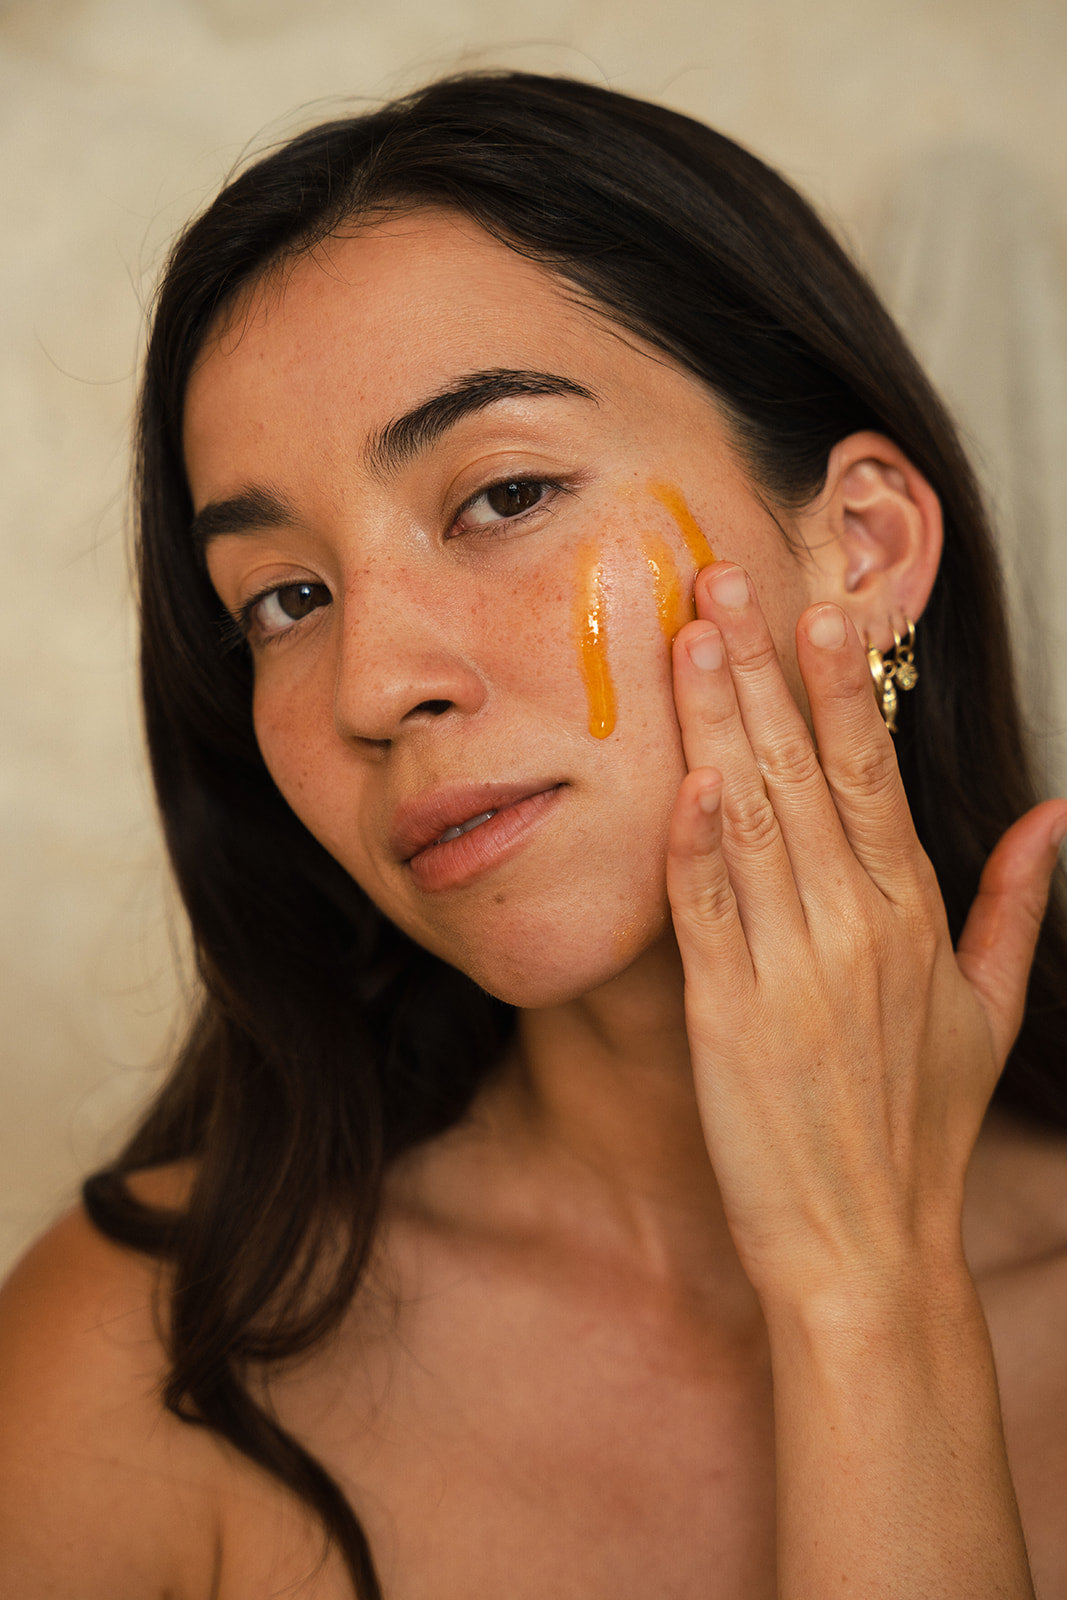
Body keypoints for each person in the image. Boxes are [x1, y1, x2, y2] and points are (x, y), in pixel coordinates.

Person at [1, 70, 1066, 1600]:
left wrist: (872, 1294)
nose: (372, 684)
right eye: (284, 601)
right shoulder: (138, 1368)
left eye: (503, 494)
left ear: (863, 548)